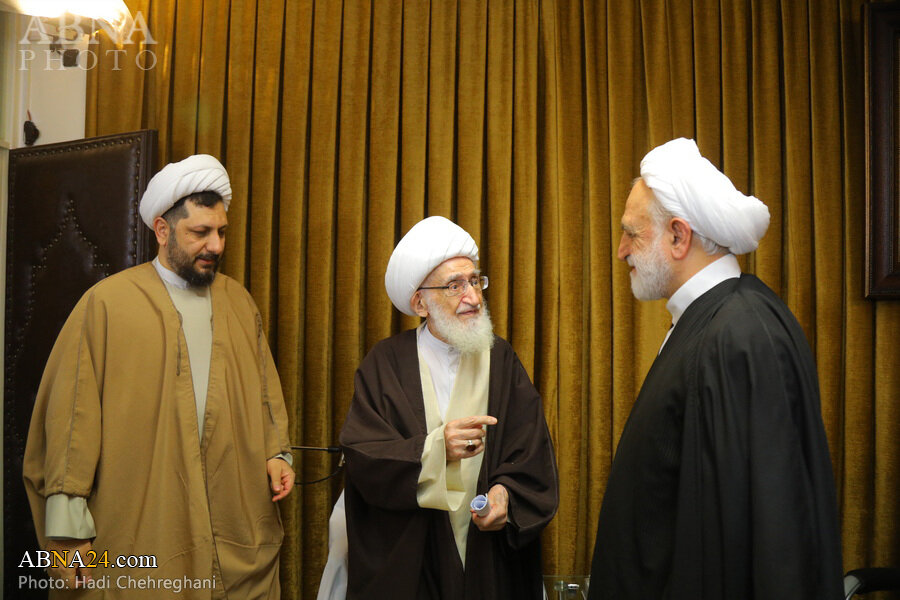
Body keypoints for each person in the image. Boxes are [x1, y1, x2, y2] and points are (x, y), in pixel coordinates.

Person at [23, 154, 295, 599]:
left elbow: (265, 392)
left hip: (233, 522)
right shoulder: (108, 304)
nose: (215, 245)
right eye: (200, 232)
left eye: (222, 231)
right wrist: (68, 533)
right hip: (144, 522)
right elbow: (72, 421)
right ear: (163, 230)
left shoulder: (238, 302)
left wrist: (276, 453)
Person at [587, 138, 843, 600]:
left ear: (678, 236)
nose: (622, 250)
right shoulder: (714, 319)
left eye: (632, 234)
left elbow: (771, 531)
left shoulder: (739, 335)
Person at [339, 216, 558, 600]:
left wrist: (505, 495)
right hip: (414, 559)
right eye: (454, 286)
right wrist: (435, 450)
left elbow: (531, 452)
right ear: (420, 303)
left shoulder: (501, 359)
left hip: (487, 557)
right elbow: (364, 456)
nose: (473, 297)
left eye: (474, 281)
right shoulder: (385, 364)